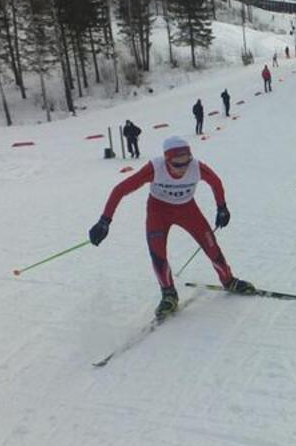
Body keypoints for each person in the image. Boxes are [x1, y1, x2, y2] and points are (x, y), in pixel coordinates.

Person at [88, 136, 256, 318]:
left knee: (211, 245)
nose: (183, 169)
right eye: (177, 165)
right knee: (157, 252)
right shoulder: (155, 168)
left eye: (186, 162)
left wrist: (222, 207)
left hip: (187, 209)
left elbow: (215, 182)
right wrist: (105, 221)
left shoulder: (196, 167)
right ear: (167, 160)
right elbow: (121, 189)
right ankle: (168, 294)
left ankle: (228, 280)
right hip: (158, 211)